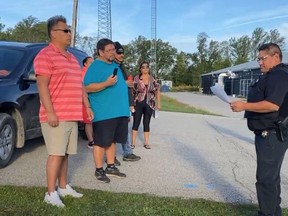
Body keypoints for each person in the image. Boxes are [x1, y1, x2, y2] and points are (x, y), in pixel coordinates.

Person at [34, 15, 93, 207]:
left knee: (65, 153)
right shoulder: (45, 55)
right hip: (56, 115)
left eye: (70, 30)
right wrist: (50, 112)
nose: (70, 33)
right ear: (53, 34)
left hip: (71, 114)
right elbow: (42, 86)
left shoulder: (73, 58)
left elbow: (80, 85)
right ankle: (50, 193)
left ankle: (63, 186)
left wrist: (87, 105)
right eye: (66, 30)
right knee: (56, 154)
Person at [230, 43, 288, 216]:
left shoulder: (278, 75)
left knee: (265, 179)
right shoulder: (272, 75)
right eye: (258, 59)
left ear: (276, 56)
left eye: (263, 58)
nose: (259, 63)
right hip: (268, 134)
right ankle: (273, 212)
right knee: (270, 177)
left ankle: (267, 213)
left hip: (271, 134)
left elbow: (272, 105)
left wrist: (244, 106)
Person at [84, 38, 129, 183]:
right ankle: (99, 170)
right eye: (109, 50)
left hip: (118, 111)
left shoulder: (114, 65)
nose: (112, 52)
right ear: (100, 52)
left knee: (113, 140)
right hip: (104, 112)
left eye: (113, 50)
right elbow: (87, 87)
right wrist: (106, 83)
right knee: (101, 142)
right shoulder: (96, 66)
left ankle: (110, 166)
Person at [114, 41, 141, 162]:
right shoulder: (109, 66)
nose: (121, 55)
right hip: (113, 103)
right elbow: (107, 84)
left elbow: (126, 87)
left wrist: (131, 103)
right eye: (118, 53)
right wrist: (124, 83)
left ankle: (127, 152)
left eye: (122, 53)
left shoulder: (121, 66)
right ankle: (111, 157)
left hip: (123, 102)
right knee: (112, 130)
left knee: (124, 127)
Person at [131, 61, 161, 149]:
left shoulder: (153, 79)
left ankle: (146, 142)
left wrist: (158, 103)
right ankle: (133, 143)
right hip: (138, 102)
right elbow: (132, 92)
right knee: (136, 122)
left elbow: (157, 91)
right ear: (140, 69)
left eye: (147, 67)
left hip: (149, 103)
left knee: (146, 122)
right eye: (143, 67)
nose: (145, 69)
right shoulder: (136, 78)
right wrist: (131, 103)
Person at [81, 56, 94, 148]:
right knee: (88, 121)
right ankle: (91, 141)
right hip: (86, 99)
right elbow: (84, 88)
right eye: (90, 63)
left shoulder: (91, 72)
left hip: (91, 98)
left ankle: (92, 139)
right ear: (85, 64)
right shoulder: (84, 73)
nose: (92, 64)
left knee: (91, 120)